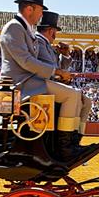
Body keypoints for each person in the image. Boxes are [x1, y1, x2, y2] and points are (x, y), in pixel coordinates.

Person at [0, 0, 86, 160]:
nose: (41, 15)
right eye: (40, 10)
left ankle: (71, 142)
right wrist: (57, 71)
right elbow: (26, 61)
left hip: (31, 80)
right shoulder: (13, 28)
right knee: (72, 95)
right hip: (20, 84)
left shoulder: (26, 29)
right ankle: (65, 149)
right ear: (30, 9)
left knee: (74, 96)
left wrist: (58, 68)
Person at [34, 10, 93, 138]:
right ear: (51, 31)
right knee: (74, 94)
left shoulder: (47, 45)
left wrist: (65, 55)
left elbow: (58, 67)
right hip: (40, 84)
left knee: (87, 102)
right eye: (55, 31)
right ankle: (66, 141)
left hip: (49, 82)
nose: (55, 35)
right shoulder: (39, 42)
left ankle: (77, 136)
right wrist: (62, 75)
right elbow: (53, 69)